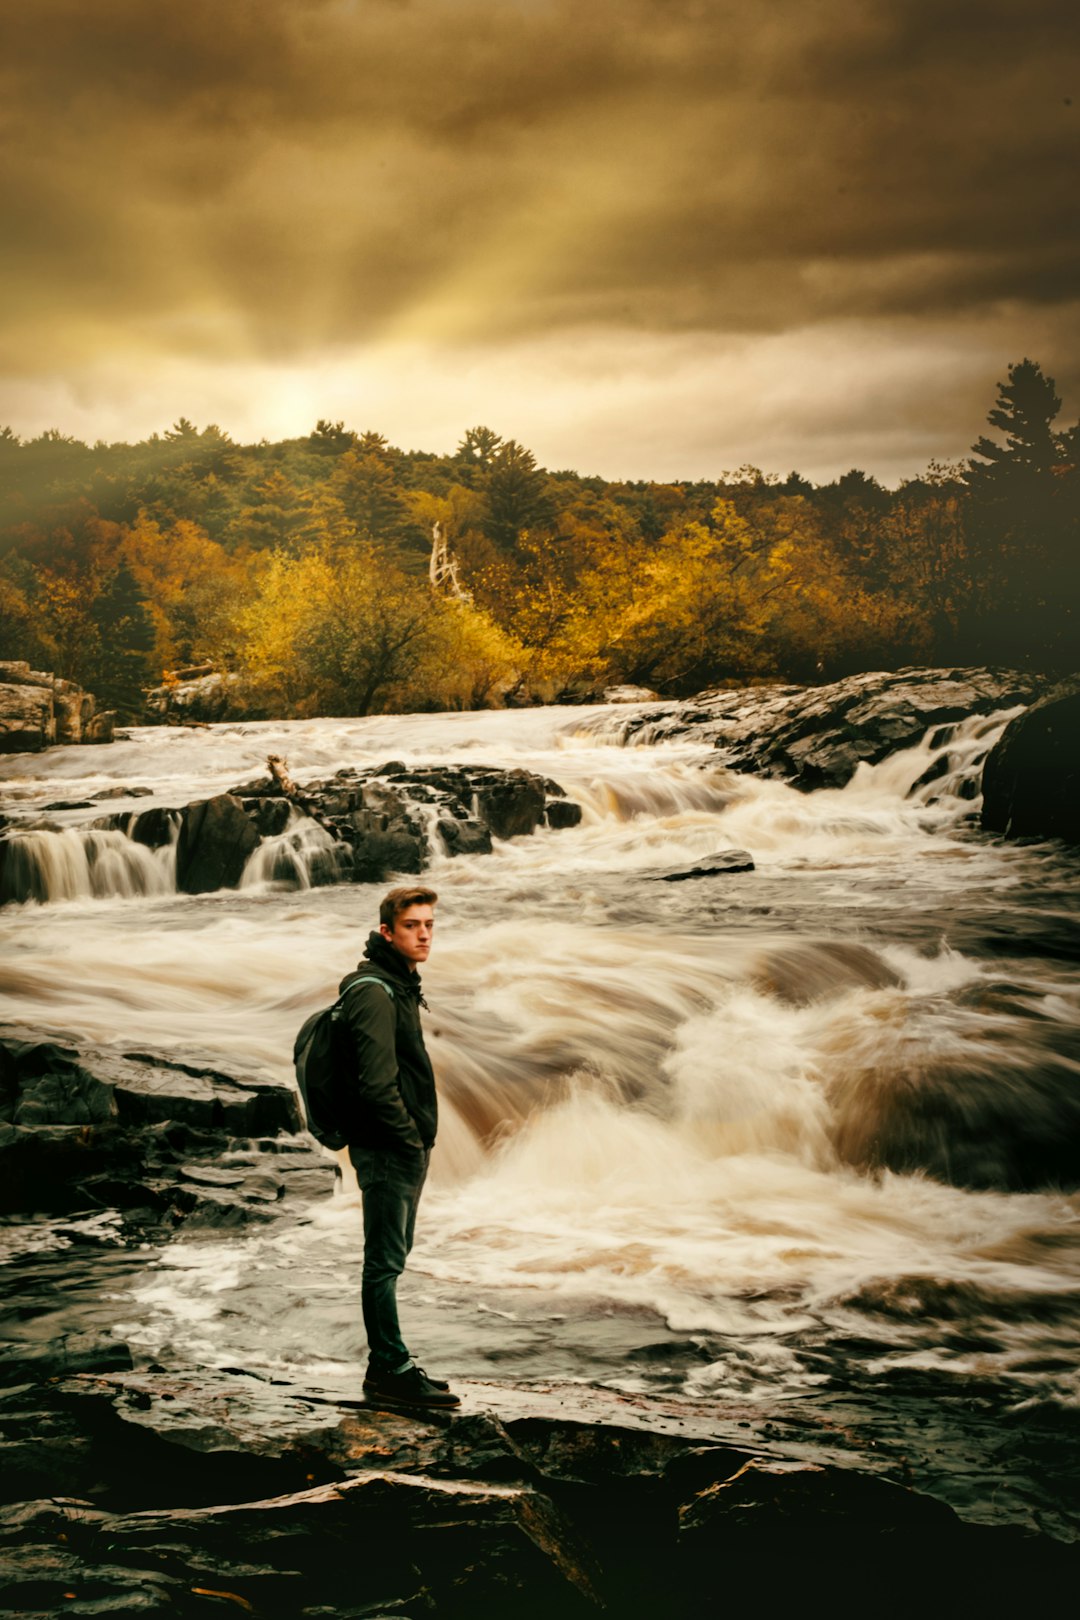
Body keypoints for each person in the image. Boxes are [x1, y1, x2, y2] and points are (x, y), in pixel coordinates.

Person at [339, 884, 460, 1410]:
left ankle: (388, 1364)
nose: (425, 934)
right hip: (388, 1147)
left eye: (430, 924)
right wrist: (408, 1140)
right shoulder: (374, 991)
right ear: (387, 932)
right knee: (383, 1262)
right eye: (413, 926)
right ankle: (389, 1367)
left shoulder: (399, 981)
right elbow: (375, 1084)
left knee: (391, 1257)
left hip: (402, 1144)